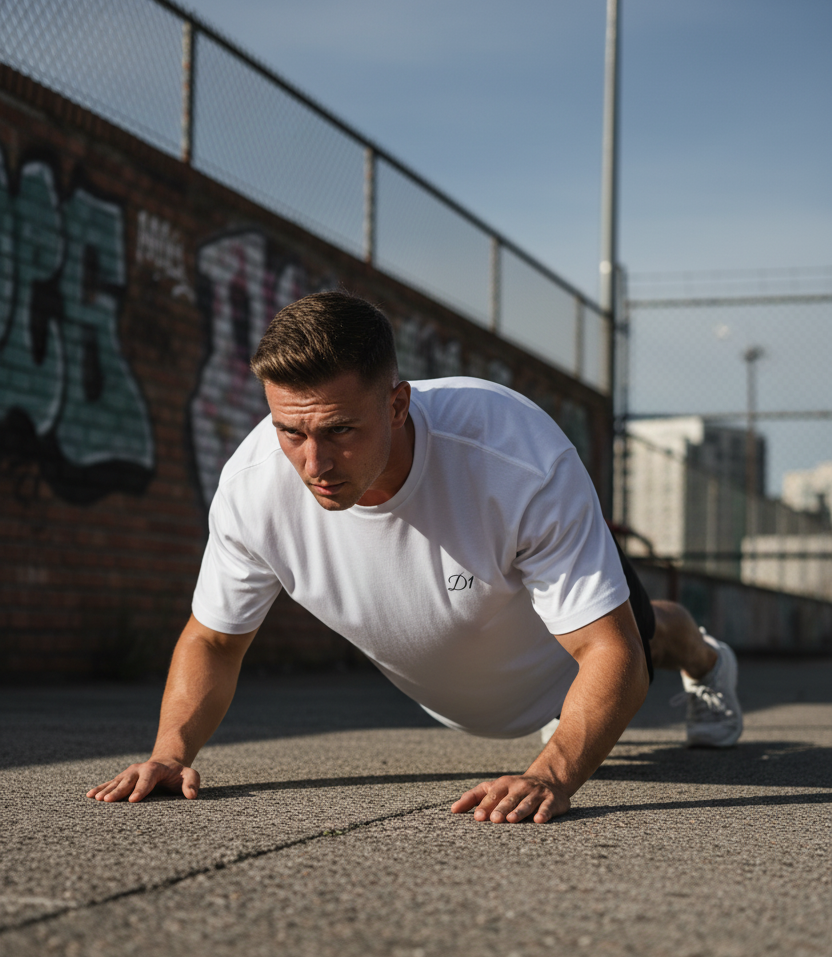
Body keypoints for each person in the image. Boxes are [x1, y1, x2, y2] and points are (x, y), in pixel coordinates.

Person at [87, 293, 743, 821]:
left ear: (397, 404)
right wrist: (170, 753)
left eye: (341, 430)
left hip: (562, 660)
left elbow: (610, 654)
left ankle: (704, 656)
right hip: (461, 690)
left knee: (645, 631)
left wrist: (552, 774)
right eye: (291, 431)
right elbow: (214, 640)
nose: (313, 463)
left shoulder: (513, 455)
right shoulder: (253, 486)